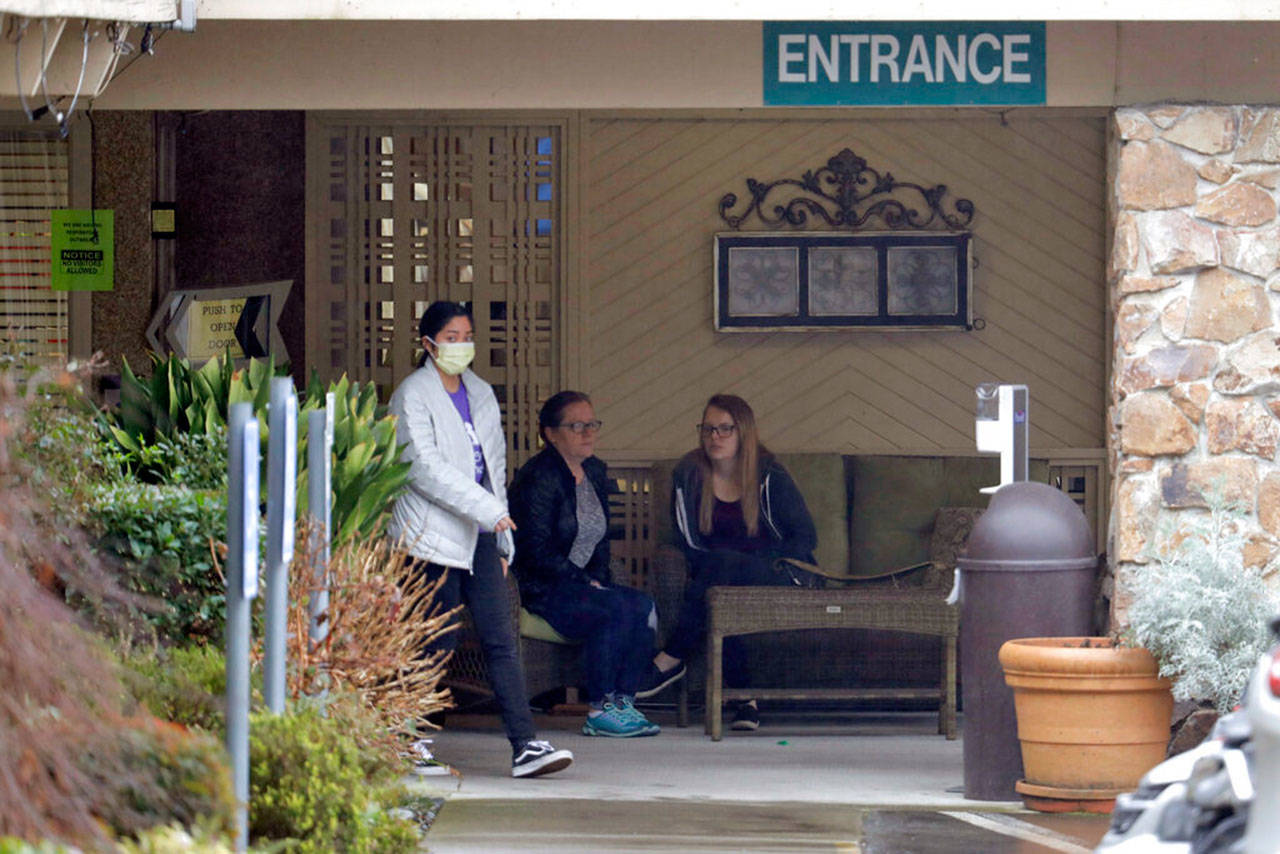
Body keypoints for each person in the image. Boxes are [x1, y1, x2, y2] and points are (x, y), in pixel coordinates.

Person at [388, 300, 573, 778]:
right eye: (451, 337)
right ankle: (410, 744)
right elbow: (424, 470)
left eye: (466, 335)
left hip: (481, 534)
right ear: (428, 344)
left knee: (501, 639)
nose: (461, 345)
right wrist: (491, 513)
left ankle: (526, 746)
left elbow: (493, 466)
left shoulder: (481, 393)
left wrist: (502, 528)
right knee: (434, 641)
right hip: (429, 538)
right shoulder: (413, 394)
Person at [635, 393, 817, 731]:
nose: (714, 438)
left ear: (743, 432)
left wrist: (751, 561)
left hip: (776, 572)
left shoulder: (770, 475)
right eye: (708, 430)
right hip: (716, 575)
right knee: (720, 588)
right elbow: (685, 541)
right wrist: (720, 567)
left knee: (723, 570)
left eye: (724, 429)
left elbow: (806, 538)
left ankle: (671, 657)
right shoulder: (689, 474)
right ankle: (745, 702)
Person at [509, 391, 661, 738]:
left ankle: (623, 703)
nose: (588, 432)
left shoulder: (594, 470)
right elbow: (534, 549)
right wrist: (582, 580)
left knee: (645, 607)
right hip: (543, 588)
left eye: (592, 424)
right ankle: (600, 708)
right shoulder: (538, 478)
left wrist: (598, 580)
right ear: (551, 433)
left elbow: (601, 539)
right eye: (577, 426)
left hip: (581, 584)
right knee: (613, 610)